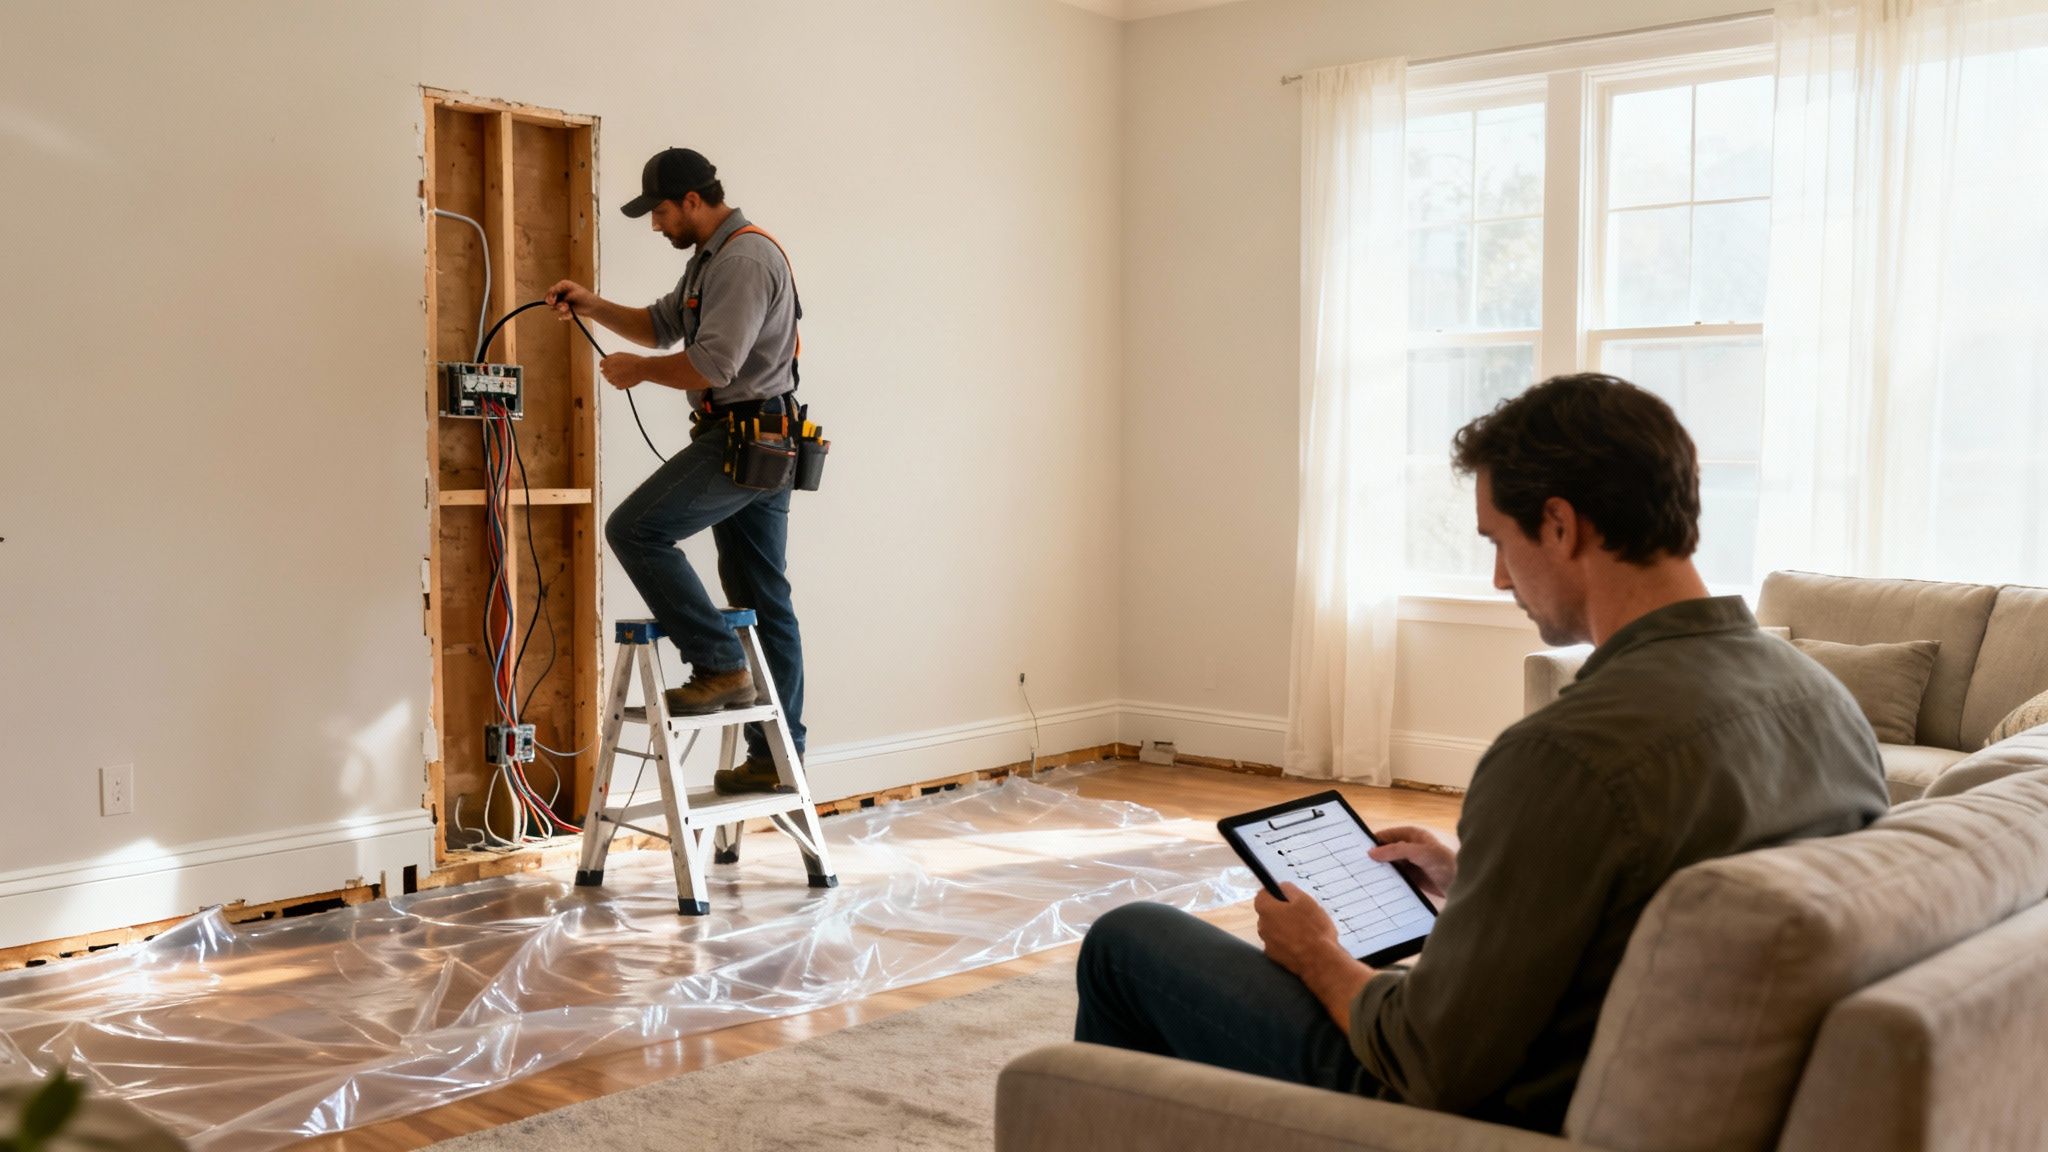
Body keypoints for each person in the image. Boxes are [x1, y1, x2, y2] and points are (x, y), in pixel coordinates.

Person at [1073, 373, 1890, 1133]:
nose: (1500, 579)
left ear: (1562, 525)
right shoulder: (1821, 699)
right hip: (1684, 1093)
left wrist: (1319, 957)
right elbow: (1664, 897)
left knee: (1129, 940)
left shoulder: (1568, 756)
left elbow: (1427, 1063)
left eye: (1499, 540)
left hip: (1497, 1116)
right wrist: (1482, 879)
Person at [546, 147, 806, 795]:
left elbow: (713, 364)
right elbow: (661, 327)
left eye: (661, 212)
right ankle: (778, 758)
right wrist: (591, 305)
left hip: (749, 436)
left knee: (635, 529)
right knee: (761, 598)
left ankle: (719, 663)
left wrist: (636, 371)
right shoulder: (709, 262)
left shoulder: (743, 259)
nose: (657, 225)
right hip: (754, 439)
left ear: (694, 201)